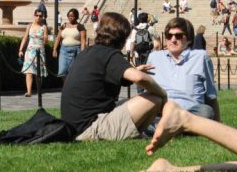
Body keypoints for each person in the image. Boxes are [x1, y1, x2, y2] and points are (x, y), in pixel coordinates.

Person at [60, 11, 169, 141]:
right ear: (121, 37)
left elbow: (108, 76)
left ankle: (140, 132)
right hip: (90, 128)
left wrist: (134, 69)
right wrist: (163, 95)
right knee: (154, 99)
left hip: (73, 126)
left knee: (129, 101)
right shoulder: (110, 54)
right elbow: (139, 78)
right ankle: (139, 133)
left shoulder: (88, 52)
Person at [146, 17, 220, 122]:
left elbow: (211, 96)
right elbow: (146, 93)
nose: (173, 40)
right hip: (160, 112)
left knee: (206, 111)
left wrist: (218, 125)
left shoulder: (201, 57)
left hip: (190, 112)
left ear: (189, 39)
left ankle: (165, 127)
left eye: (179, 36)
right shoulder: (154, 57)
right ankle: (172, 127)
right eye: (169, 36)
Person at [19, 10, 49, 97]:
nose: (38, 17)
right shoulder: (29, 26)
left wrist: (45, 38)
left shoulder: (44, 27)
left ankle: (39, 90)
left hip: (40, 51)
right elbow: (25, 38)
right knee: (29, 71)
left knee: (38, 73)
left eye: (40, 16)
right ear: (34, 16)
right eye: (37, 15)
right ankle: (29, 92)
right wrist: (21, 50)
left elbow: (45, 42)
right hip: (30, 51)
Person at [52, 8, 87, 79]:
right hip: (63, 50)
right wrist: (54, 49)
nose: (70, 17)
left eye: (72, 16)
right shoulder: (64, 25)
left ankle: (71, 87)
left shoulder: (80, 26)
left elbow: (83, 40)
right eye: (69, 16)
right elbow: (58, 38)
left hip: (76, 51)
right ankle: (65, 86)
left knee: (73, 72)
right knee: (62, 71)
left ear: (76, 16)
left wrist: (82, 53)